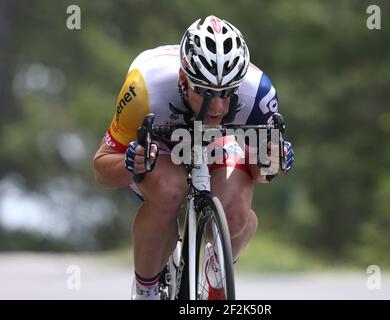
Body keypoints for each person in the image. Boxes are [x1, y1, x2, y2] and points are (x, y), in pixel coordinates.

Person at [93, 15, 295, 300]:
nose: (218, 106)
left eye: (227, 93)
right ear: (182, 79)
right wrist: (132, 162)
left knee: (237, 209)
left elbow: (259, 171)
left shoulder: (259, 94)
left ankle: (217, 267)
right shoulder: (144, 90)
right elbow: (102, 168)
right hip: (162, 147)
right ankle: (146, 290)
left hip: (218, 143)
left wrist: (270, 159)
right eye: (204, 93)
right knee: (169, 188)